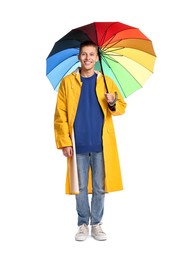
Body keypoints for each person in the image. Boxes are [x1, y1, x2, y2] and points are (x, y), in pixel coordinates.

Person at [54, 40, 127, 241]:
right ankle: (82, 224)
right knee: (80, 187)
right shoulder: (68, 82)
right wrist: (65, 141)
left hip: (101, 144)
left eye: (92, 54)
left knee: (100, 186)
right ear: (79, 56)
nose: (88, 58)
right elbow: (60, 115)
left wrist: (112, 102)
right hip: (78, 143)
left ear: (97, 57)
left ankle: (96, 224)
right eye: (84, 54)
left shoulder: (106, 82)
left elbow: (121, 107)